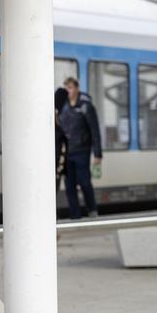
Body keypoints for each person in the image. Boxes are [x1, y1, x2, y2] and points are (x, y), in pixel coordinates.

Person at [59, 77, 102, 219]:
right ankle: (75, 215)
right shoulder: (62, 106)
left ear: (77, 88)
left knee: (84, 182)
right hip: (67, 152)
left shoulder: (85, 106)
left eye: (70, 88)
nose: (68, 91)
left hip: (82, 151)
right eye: (66, 88)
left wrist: (97, 154)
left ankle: (92, 210)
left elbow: (94, 130)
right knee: (69, 185)